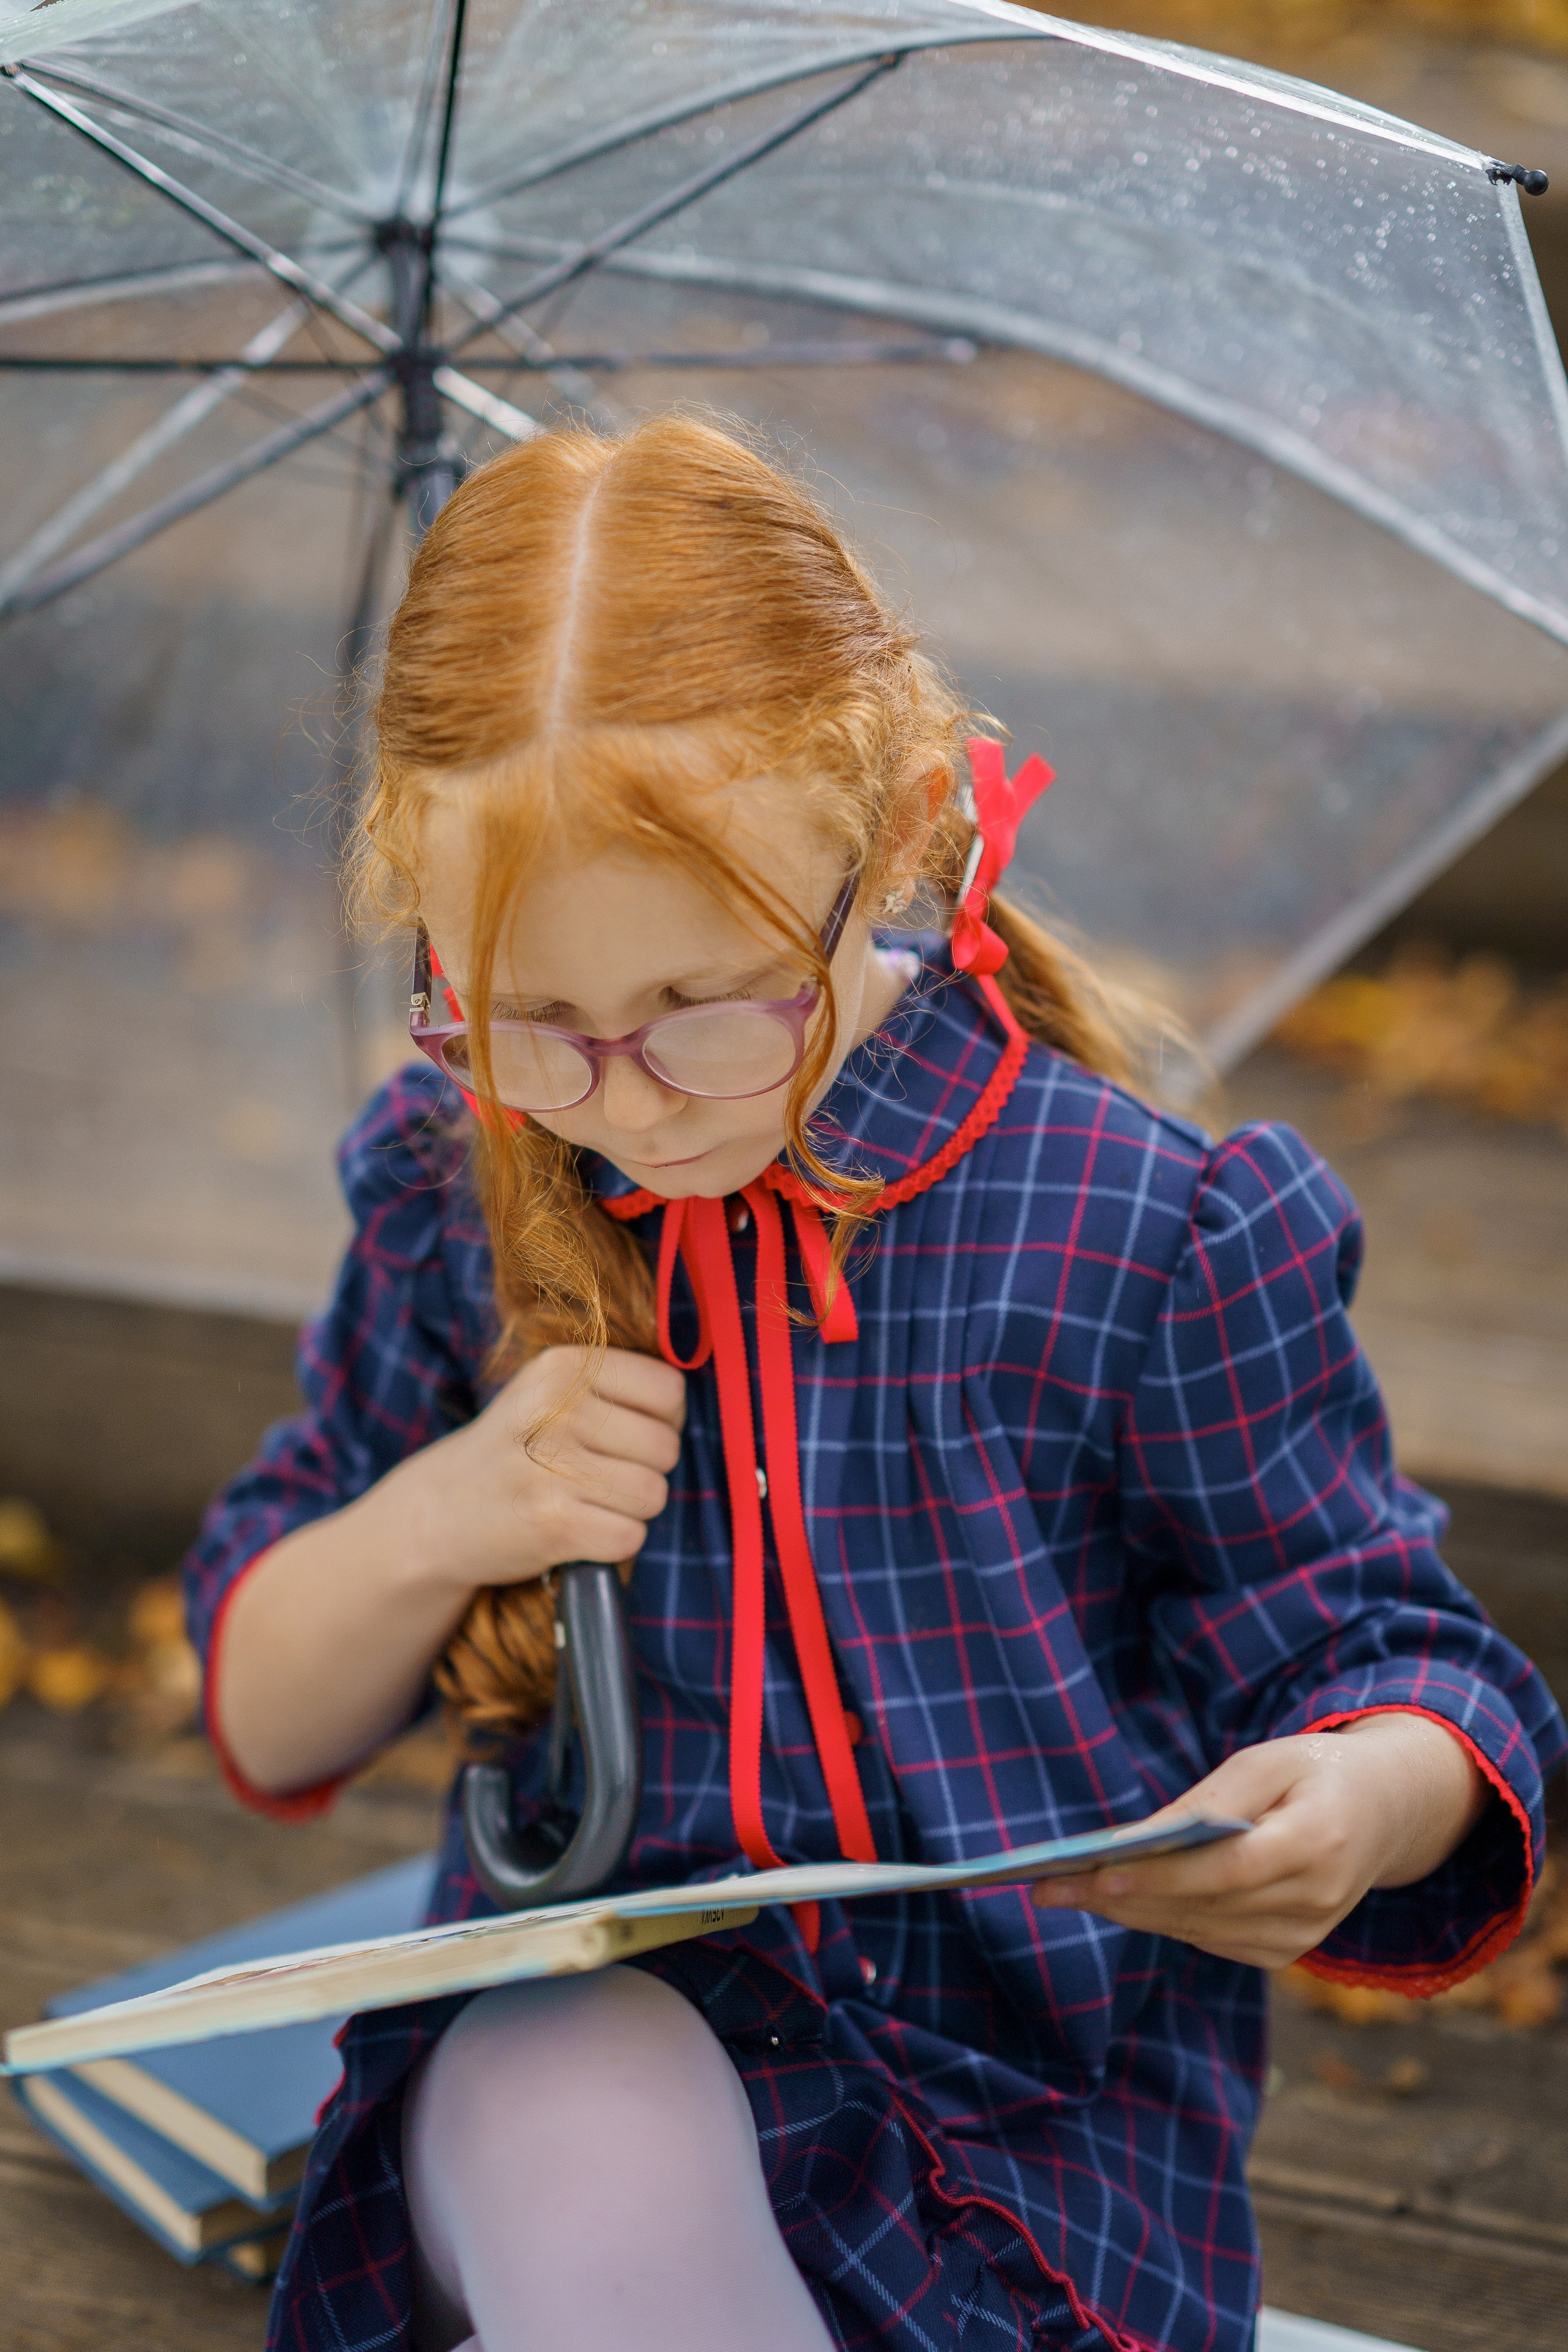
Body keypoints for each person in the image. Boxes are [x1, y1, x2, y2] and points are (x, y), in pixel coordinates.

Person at [184, 415, 1564, 2352]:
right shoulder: (447, 1195)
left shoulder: (1142, 1235)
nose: (623, 1104)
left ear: (900, 835)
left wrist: (1365, 1790)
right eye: (531, 1021)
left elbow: (1403, 1652)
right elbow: (264, 1713)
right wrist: (447, 1510)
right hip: (590, 2104)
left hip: (1021, 2157)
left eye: (701, 1007)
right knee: (567, 2087)